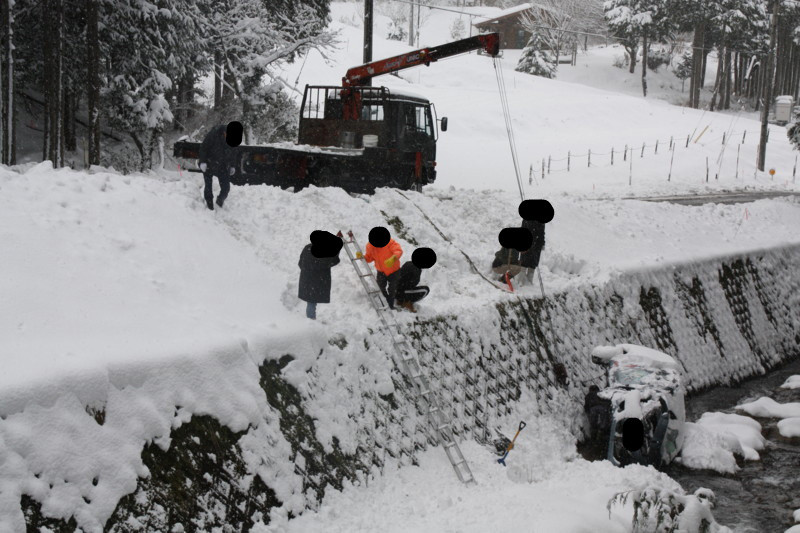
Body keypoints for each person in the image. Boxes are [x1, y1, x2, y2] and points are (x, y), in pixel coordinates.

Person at [298, 236, 341, 320]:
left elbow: (300, 263)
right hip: (316, 282)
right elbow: (334, 260)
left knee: (311, 301)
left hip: (306, 280)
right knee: (312, 302)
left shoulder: (307, 247)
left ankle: (310, 320)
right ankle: (311, 321)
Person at [360, 228, 403, 309]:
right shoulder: (370, 246)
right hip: (381, 271)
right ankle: (385, 299)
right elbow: (369, 258)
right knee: (380, 286)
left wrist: (393, 258)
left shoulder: (390, 243)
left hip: (394, 271)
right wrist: (363, 258)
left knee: (392, 288)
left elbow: (398, 251)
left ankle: (391, 302)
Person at [198, 124, 237, 210]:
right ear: (224, 132)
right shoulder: (213, 135)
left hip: (222, 166)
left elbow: (233, 153)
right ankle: (209, 205)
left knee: (226, 188)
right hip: (209, 164)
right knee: (208, 186)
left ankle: (219, 202)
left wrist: (233, 166)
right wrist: (202, 162)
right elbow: (203, 148)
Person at [518, 218, 545, 285]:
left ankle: (528, 281)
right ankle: (520, 281)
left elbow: (541, 233)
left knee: (532, 263)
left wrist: (541, 243)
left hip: (536, 244)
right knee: (524, 262)